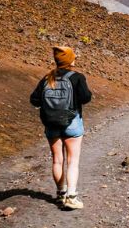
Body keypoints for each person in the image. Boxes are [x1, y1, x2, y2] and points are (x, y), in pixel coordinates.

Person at [30, 46, 91, 210]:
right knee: (73, 161)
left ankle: (60, 194)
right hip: (72, 123)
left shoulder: (47, 78)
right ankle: (71, 197)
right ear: (71, 60)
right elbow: (86, 98)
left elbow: (34, 100)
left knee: (57, 160)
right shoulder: (77, 77)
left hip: (51, 124)